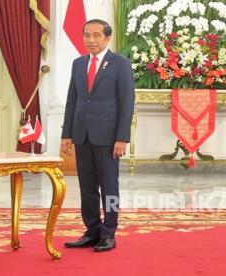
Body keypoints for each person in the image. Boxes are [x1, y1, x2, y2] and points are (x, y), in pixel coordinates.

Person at [61, 19, 135, 252]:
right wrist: (67, 133)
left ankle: (108, 233)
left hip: (108, 137)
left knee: (109, 186)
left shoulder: (120, 64)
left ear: (107, 38)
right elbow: (73, 99)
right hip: (82, 134)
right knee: (87, 187)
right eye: (86, 35)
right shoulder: (78, 63)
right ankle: (91, 230)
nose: (90, 40)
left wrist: (122, 137)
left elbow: (127, 102)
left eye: (96, 35)